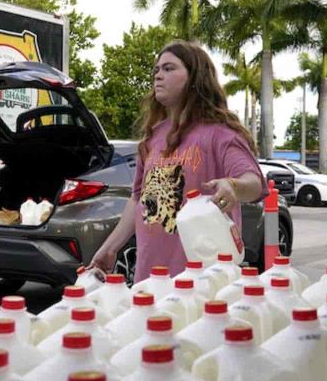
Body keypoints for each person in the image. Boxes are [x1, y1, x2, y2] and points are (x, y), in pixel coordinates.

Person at [91, 40, 265, 282]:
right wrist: (109, 248)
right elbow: (138, 200)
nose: (158, 76)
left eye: (169, 68)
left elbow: (254, 183)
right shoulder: (152, 139)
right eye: (156, 70)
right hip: (150, 280)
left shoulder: (220, 133)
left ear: (195, 78)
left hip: (203, 285)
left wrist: (233, 186)